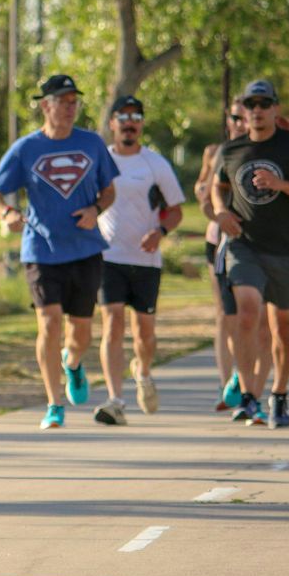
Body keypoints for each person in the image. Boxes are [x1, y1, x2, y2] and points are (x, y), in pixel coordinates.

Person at [0, 74, 119, 430]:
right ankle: (53, 403)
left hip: (86, 249)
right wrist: (7, 213)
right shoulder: (26, 149)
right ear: (46, 105)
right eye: (63, 101)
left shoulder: (92, 143)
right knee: (49, 323)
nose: (71, 107)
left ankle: (73, 363)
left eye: (75, 101)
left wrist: (96, 210)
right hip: (41, 249)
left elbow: (109, 191)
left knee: (81, 333)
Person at [212, 79, 289, 429]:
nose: (257, 111)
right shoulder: (231, 150)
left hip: (287, 250)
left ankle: (279, 392)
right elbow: (219, 187)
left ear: (276, 108)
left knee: (283, 327)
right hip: (245, 245)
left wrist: (281, 185)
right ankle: (248, 396)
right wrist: (221, 211)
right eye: (251, 105)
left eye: (264, 104)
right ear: (243, 111)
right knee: (247, 313)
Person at [93, 96, 185, 425]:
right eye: (123, 117)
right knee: (113, 325)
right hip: (109, 257)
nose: (129, 123)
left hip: (146, 260)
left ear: (142, 124)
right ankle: (115, 400)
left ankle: (143, 371)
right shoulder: (100, 160)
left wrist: (160, 231)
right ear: (113, 123)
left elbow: (175, 210)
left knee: (144, 333)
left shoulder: (155, 164)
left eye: (135, 117)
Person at [196, 99, 271, 413]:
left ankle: (247, 382)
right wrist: (213, 205)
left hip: (262, 244)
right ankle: (228, 381)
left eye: (245, 118)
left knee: (256, 319)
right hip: (221, 242)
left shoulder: (267, 151)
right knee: (227, 318)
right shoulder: (217, 152)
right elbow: (202, 188)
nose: (241, 123)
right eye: (236, 118)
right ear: (228, 120)